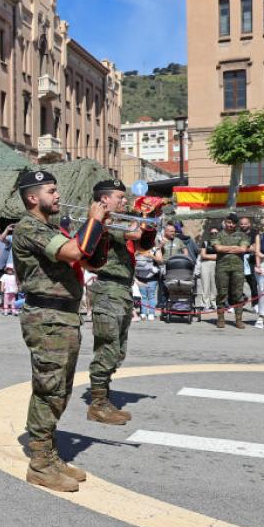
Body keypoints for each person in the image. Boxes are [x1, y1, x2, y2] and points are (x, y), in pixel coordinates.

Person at [12, 168, 108, 493]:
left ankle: (50, 455)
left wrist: (99, 227)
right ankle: (39, 464)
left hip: (64, 315)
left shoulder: (51, 227)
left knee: (61, 389)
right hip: (47, 316)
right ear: (32, 197)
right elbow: (72, 253)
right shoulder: (29, 227)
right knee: (49, 388)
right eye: (51, 191)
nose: (57, 195)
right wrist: (93, 220)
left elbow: (90, 262)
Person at [87, 179, 156, 426]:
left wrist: (152, 219)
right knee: (107, 348)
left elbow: (143, 243)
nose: (124, 201)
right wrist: (144, 217)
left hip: (122, 290)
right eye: (120, 196)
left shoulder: (116, 220)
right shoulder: (105, 220)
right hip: (108, 290)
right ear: (105, 200)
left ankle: (104, 397)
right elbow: (136, 234)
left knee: (117, 350)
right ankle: (97, 404)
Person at [208, 213, 251, 329]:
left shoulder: (242, 235)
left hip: (238, 268)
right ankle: (221, 319)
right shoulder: (217, 235)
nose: (230, 225)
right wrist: (235, 248)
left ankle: (238, 320)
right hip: (222, 268)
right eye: (228, 222)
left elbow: (243, 249)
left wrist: (226, 249)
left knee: (238, 293)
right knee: (222, 293)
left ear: (236, 224)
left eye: (233, 223)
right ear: (225, 222)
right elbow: (218, 248)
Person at [134, 242, 162, 321]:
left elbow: (160, 261)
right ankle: (145, 314)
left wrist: (152, 256)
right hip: (140, 275)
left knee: (150, 295)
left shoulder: (155, 248)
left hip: (151, 276)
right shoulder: (137, 247)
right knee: (145, 295)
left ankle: (149, 314)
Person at [196, 225, 219, 310]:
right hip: (205, 265)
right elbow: (203, 255)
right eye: (212, 233)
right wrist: (215, 256)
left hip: (216, 265)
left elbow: (220, 256)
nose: (214, 234)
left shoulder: (221, 243)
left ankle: (214, 303)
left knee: (214, 285)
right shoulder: (205, 243)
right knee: (205, 285)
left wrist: (208, 256)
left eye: (216, 233)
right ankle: (205, 304)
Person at [239, 216, 259, 313]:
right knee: (237, 283)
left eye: (245, 223)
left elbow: (254, 248)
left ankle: (255, 304)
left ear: (249, 224)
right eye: (241, 224)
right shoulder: (237, 233)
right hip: (239, 260)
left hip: (251, 260)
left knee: (253, 283)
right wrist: (247, 248)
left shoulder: (254, 233)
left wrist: (243, 248)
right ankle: (239, 302)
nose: (243, 225)